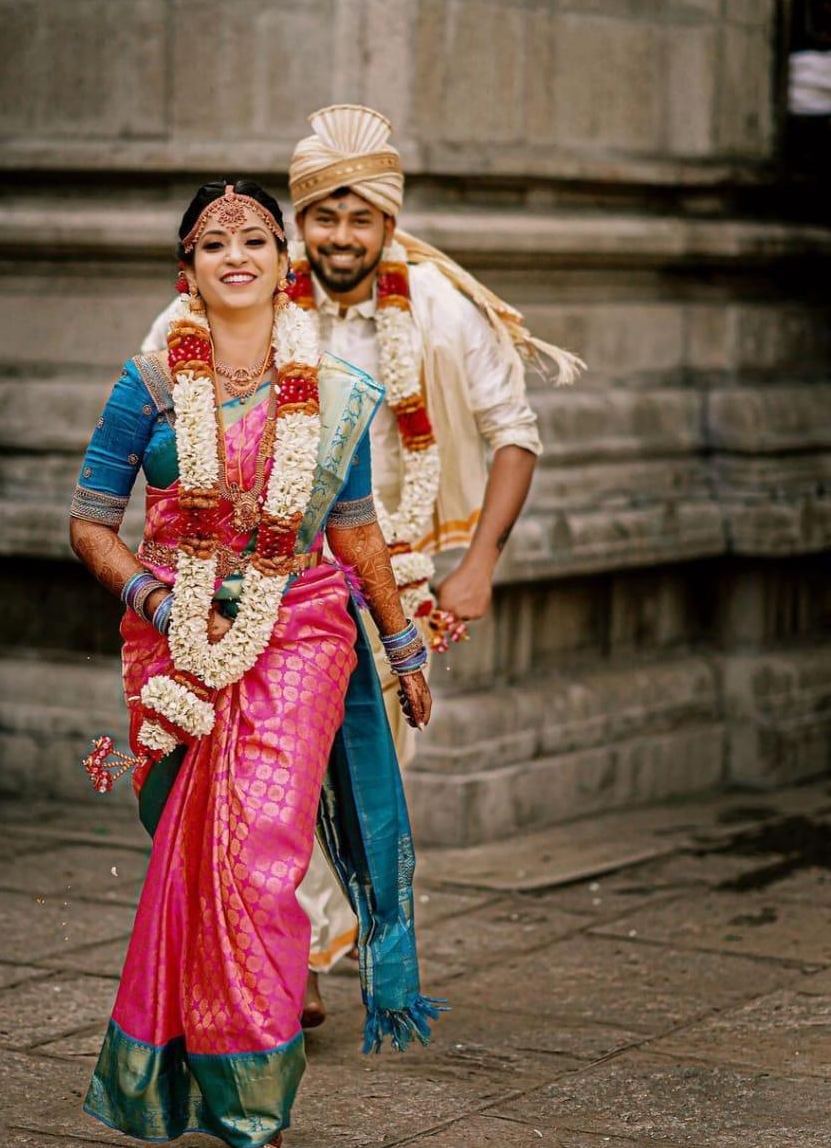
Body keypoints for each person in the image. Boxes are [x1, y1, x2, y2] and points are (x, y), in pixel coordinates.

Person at [143, 107, 584, 1025]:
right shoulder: (249, 286)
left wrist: (481, 563)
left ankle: (306, 949)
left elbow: (517, 435)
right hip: (259, 583)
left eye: (361, 218)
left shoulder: (438, 308)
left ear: (389, 222)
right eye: (325, 217)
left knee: (366, 782)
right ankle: (280, 963)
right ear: (300, 220)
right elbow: (159, 381)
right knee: (268, 776)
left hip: (395, 584)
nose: (341, 237)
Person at [69, 179, 439, 1148]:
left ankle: (257, 1121)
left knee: (257, 861)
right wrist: (157, 602)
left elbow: (354, 524)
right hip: (175, 643)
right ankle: (207, 1076)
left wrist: (402, 645)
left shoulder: (336, 387)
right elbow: (89, 523)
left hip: (304, 628)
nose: (237, 252)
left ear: (285, 261)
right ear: (185, 268)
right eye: (212, 240)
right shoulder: (146, 382)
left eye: (256, 237)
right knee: (198, 861)